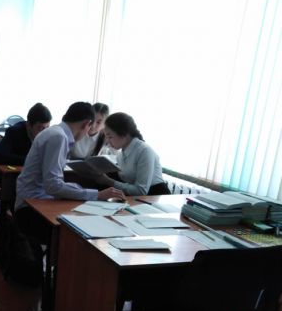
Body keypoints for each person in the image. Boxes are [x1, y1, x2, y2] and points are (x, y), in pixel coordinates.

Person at [14, 102, 125, 244]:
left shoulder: (56, 132)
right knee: (83, 234)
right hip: (30, 210)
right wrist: (97, 195)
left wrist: (82, 191)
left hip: (37, 202)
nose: (87, 134)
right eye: (90, 127)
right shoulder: (58, 137)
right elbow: (53, 186)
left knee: (84, 220)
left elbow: (53, 183)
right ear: (86, 124)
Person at [93, 112, 170, 195]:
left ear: (124, 134)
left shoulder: (144, 151)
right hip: (135, 198)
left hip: (156, 196)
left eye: (110, 137)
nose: (107, 142)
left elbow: (141, 191)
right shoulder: (120, 155)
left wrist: (108, 181)